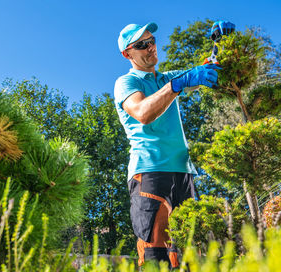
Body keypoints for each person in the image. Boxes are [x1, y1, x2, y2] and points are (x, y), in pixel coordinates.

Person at [114, 21, 235, 268]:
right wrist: (177, 85)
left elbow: (208, 69)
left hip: (183, 173)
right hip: (149, 172)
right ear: (127, 54)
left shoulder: (167, 78)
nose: (150, 48)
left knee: (190, 254)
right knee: (155, 254)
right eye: (141, 45)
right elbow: (142, 112)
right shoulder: (127, 83)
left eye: (151, 41)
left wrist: (220, 44)